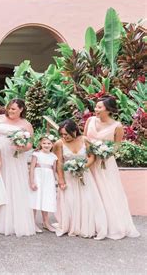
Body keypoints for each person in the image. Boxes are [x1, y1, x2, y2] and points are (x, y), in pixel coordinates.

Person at [84, 97, 140, 239]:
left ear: (108, 110)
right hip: (90, 161)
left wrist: (104, 152)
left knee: (107, 191)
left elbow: (116, 146)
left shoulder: (117, 126)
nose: (96, 110)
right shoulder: (90, 121)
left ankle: (109, 224)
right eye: (95, 107)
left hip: (105, 164)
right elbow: (84, 139)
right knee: (90, 191)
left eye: (99, 107)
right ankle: (91, 224)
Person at [54, 119, 107, 239]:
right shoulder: (59, 143)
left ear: (74, 131)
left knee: (87, 200)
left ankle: (86, 225)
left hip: (84, 175)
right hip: (69, 177)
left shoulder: (85, 140)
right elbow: (59, 162)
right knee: (70, 201)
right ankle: (72, 225)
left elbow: (91, 157)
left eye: (66, 134)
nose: (64, 136)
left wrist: (82, 167)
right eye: (62, 134)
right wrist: (61, 180)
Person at [0, 99, 36, 236]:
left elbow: (30, 144)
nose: (10, 111)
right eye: (9, 108)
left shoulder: (26, 124)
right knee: (0, 184)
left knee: (15, 185)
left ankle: (13, 220)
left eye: (14, 109)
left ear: (21, 109)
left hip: (15, 157)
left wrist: (21, 147)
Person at [29, 135, 57, 232]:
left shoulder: (54, 156)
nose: (46, 145)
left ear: (52, 144)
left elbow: (54, 170)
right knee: (35, 199)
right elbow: (32, 168)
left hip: (48, 180)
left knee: (46, 200)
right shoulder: (36, 154)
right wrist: (32, 182)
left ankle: (46, 222)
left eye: (49, 143)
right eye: (44, 143)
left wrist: (54, 182)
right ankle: (32, 222)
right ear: (40, 144)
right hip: (38, 179)